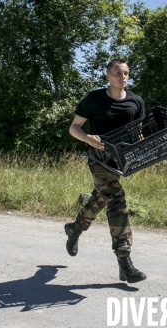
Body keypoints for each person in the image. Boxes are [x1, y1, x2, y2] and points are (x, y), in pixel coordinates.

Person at [65, 58, 147, 283]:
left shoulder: (136, 102)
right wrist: (88, 139)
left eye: (126, 73)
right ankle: (125, 262)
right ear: (107, 76)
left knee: (102, 197)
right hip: (99, 159)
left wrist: (141, 152)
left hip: (120, 161)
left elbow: (138, 133)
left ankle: (75, 228)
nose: (123, 77)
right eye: (118, 73)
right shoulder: (94, 99)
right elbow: (74, 127)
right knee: (116, 201)